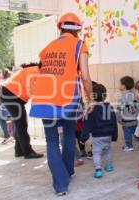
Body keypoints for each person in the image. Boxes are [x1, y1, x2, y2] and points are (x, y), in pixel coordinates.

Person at [29, 12, 93, 196]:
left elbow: (41, 72)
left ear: (60, 28)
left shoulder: (47, 48)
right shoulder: (79, 44)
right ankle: (66, 174)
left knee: (51, 141)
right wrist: (90, 97)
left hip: (44, 98)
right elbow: (86, 77)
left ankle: (61, 184)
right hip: (68, 99)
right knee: (69, 135)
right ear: (78, 30)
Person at [0, 63, 44, 159]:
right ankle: (28, 152)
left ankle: (19, 150)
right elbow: (31, 90)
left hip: (9, 93)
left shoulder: (33, 69)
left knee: (19, 123)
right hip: (11, 94)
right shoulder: (35, 72)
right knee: (21, 124)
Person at [80, 84, 118, 178]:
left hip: (97, 136)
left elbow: (86, 125)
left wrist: (83, 139)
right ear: (105, 96)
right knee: (108, 150)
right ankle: (109, 166)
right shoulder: (109, 107)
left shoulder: (91, 109)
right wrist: (114, 136)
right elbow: (114, 122)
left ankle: (98, 169)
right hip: (108, 135)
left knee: (96, 152)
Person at [116, 76, 139, 152]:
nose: (119, 85)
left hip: (126, 120)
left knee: (127, 134)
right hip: (134, 119)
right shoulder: (134, 95)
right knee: (136, 132)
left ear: (124, 86)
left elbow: (119, 109)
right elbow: (138, 107)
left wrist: (118, 118)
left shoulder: (121, 96)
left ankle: (129, 146)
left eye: (120, 84)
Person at [0, 68, 14, 144]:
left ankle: (7, 136)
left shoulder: (0, 83)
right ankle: (14, 136)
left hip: (3, 104)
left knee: (1, 119)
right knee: (14, 119)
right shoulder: (13, 82)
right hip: (13, 103)